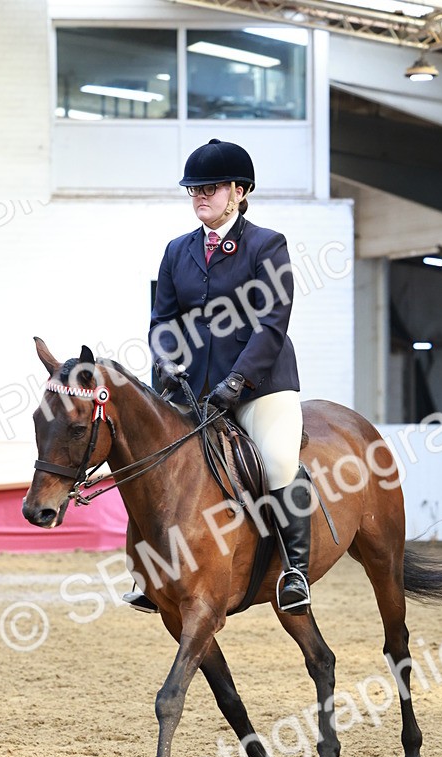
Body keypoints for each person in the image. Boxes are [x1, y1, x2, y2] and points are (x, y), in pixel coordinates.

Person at [124, 138, 310, 615]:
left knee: (277, 460)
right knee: (152, 462)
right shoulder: (177, 251)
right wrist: (166, 363)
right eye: (194, 189)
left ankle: (294, 570)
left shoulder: (266, 245)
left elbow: (272, 323)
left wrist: (238, 382)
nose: (200, 196)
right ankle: (150, 573)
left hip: (260, 385)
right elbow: (163, 321)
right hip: (195, 388)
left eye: (210, 188)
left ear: (239, 191)